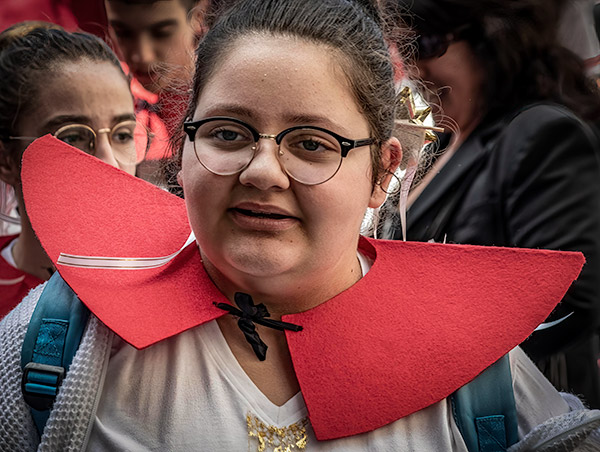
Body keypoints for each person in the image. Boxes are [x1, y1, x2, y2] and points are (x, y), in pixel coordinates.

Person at [1, 1, 599, 450]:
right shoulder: (59, 337)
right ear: (181, 152)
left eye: (313, 144)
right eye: (227, 133)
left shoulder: (481, 374)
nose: (262, 171)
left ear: (381, 171)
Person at [379, 0, 600, 407]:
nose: (415, 69)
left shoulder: (540, 131)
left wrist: (436, 356)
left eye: (427, 44)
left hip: (508, 411)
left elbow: (571, 301)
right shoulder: (441, 146)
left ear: (493, 37)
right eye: (406, 50)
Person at [0, 23, 143, 317]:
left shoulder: (174, 280)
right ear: (6, 161)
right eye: (72, 137)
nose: (110, 163)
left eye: (123, 135)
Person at [104, 0, 217, 182]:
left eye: (161, 33)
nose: (141, 55)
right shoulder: (105, 94)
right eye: (123, 33)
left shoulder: (226, 95)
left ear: (198, 16)